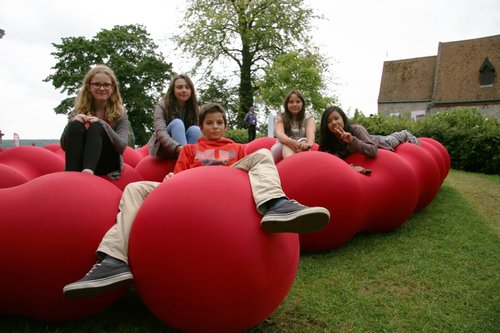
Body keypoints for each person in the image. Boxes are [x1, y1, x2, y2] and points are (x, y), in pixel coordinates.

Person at [63, 102, 330, 297]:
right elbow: (181, 176)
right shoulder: (190, 149)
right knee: (135, 189)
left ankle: (276, 204)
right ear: (201, 127)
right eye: (209, 123)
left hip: (226, 192)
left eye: (219, 123)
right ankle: (113, 260)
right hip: (188, 193)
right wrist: (170, 182)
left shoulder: (237, 149)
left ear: (226, 126)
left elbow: (243, 176)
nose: (215, 127)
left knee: (261, 155)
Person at [60, 65, 129, 179]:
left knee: (96, 127)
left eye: (106, 85)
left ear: (112, 88)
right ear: (89, 86)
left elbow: (121, 147)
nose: (102, 88)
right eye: (97, 84)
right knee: (75, 125)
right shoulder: (77, 111)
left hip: (106, 163)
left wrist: (102, 124)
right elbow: (64, 145)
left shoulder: (120, 113)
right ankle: (70, 174)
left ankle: (88, 172)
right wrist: (71, 122)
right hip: (79, 163)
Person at [319, 106, 420, 174]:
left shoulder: (357, 129)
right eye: (329, 121)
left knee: (396, 137)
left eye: (336, 118)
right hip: (363, 155)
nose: (334, 122)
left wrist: (351, 141)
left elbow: (373, 151)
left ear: (343, 119)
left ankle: (405, 133)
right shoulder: (329, 142)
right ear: (326, 126)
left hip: (380, 143)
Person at [147, 74, 201, 159]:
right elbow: (160, 132)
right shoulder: (162, 105)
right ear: (173, 90)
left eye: (187, 87)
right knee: (177, 123)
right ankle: (186, 159)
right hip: (164, 147)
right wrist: (177, 147)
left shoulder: (195, 108)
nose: (184, 90)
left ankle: (189, 159)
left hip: (186, 146)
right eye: (180, 87)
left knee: (195, 129)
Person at [270, 90, 316, 163]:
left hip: (302, 145)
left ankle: (301, 166)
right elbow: (280, 134)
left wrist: (309, 144)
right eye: (291, 102)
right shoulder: (280, 117)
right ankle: (291, 165)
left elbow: (311, 132)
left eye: (298, 101)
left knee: (304, 141)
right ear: (287, 104)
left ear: (302, 104)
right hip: (283, 143)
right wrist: (291, 142)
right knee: (286, 146)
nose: (294, 104)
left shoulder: (309, 118)